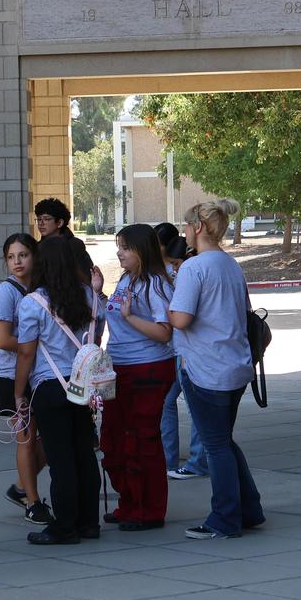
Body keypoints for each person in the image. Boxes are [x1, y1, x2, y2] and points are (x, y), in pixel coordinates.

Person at [169, 199, 263, 539]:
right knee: (224, 441)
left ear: (197, 227)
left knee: (216, 446)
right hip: (234, 366)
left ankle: (224, 518)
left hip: (205, 369)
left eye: (185, 225)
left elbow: (181, 319)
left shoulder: (193, 268)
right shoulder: (230, 264)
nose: (183, 232)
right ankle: (248, 509)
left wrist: (166, 310)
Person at [15, 234, 102, 544]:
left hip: (50, 386)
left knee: (60, 458)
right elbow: (95, 340)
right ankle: (89, 522)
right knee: (84, 453)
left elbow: (26, 352)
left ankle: (64, 526)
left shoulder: (33, 303)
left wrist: (19, 392)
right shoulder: (91, 297)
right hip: (83, 384)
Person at [102, 224, 175, 530]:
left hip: (147, 369)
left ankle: (148, 511)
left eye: (125, 247)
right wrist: (98, 292)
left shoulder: (155, 284)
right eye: (118, 247)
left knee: (141, 440)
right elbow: (115, 316)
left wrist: (131, 317)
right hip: (119, 368)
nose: (119, 253)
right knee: (114, 438)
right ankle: (130, 503)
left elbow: (164, 332)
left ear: (142, 250)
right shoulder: (126, 279)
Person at [0, 233, 51, 524]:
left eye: (23, 255)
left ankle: (20, 488)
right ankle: (33, 502)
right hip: (13, 373)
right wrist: (38, 346)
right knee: (26, 440)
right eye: (11, 257)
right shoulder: (6, 292)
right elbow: (3, 340)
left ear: (35, 256)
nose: (17, 262)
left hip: (40, 373)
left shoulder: (42, 288)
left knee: (51, 438)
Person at [154, 224, 206, 480]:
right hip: (178, 348)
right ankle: (170, 458)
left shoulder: (190, 272)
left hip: (188, 349)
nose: (174, 268)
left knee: (195, 406)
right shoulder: (180, 270)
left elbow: (180, 318)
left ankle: (197, 461)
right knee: (169, 401)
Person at [35, 197, 105, 293]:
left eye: (46, 219)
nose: (41, 223)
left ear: (60, 223)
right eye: (39, 219)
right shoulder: (36, 247)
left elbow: (86, 278)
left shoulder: (75, 246)